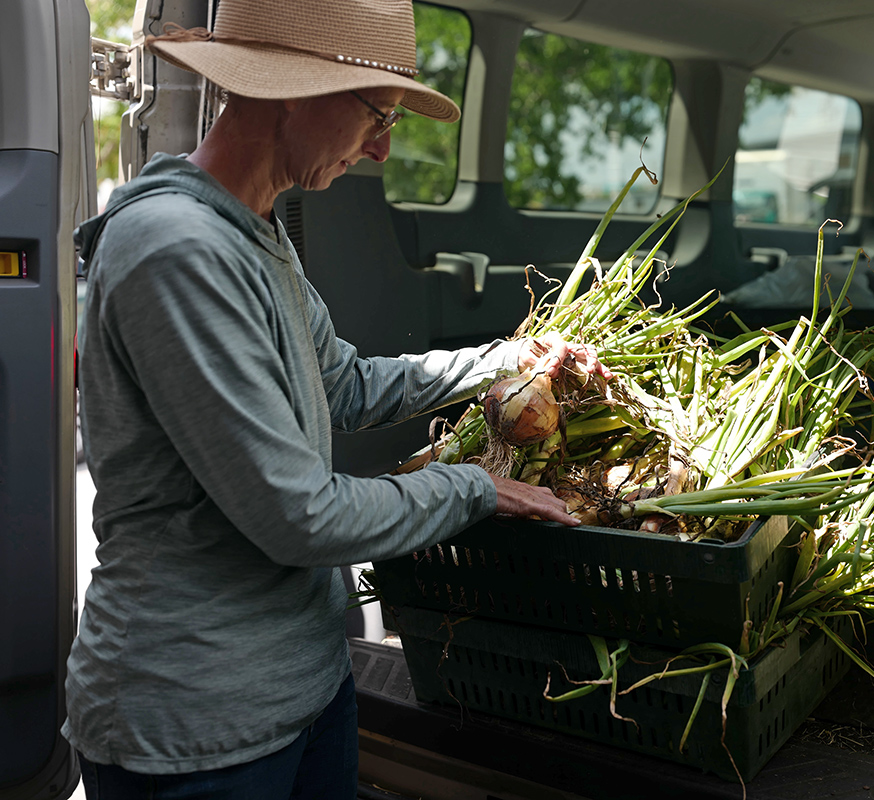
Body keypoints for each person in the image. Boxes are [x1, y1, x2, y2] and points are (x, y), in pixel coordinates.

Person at [64, 1, 611, 796]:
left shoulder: (255, 231)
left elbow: (342, 386)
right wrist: (475, 488)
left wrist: (501, 361)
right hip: (198, 725)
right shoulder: (176, 251)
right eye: (375, 116)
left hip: (306, 690)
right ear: (289, 89)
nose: (384, 148)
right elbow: (299, 517)